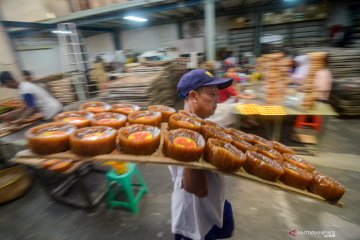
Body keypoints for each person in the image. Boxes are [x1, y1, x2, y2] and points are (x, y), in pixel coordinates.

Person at [169, 69, 235, 240]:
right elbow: (197, 189)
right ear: (193, 96)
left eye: (217, 94)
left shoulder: (201, 124)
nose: (217, 100)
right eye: (212, 94)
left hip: (212, 203)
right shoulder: (182, 132)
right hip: (193, 217)